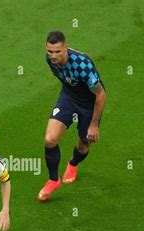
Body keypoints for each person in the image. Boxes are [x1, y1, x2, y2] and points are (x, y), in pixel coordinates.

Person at [38, 31, 107, 201]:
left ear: (66, 48)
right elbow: (63, 79)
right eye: (50, 51)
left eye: (57, 52)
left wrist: (94, 125)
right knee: (49, 139)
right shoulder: (49, 60)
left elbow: (101, 95)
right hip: (69, 97)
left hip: (89, 103)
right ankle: (53, 180)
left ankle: (73, 163)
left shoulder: (83, 64)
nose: (53, 56)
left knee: (84, 144)